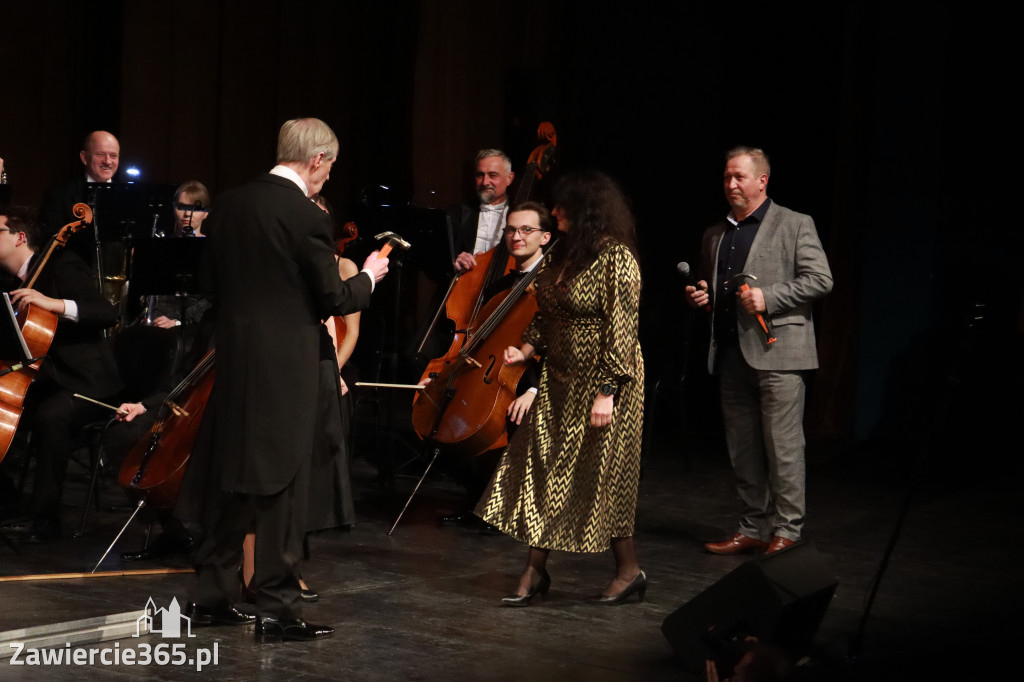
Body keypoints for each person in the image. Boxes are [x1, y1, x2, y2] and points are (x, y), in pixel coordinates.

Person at [182, 118, 389, 642]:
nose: (328, 177)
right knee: (282, 489)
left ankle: (210, 596)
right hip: (287, 369)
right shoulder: (304, 215)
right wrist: (368, 277)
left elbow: (207, 282)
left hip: (234, 360)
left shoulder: (227, 204)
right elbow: (335, 300)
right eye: (329, 166)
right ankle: (277, 608)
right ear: (317, 159)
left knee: (231, 479)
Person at [476, 170, 646, 606]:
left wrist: (607, 390)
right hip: (560, 377)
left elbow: (623, 329)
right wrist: (527, 349)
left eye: (563, 207)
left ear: (587, 210)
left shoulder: (616, 258)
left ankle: (628, 571)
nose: (554, 213)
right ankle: (534, 571)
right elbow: (544, 313)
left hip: (606, 378)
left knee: (601, 475)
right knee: (545, 468)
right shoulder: (562, 258)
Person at [685, 147, 833, 555]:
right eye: (727, 177)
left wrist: (772, 297)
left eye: (740, 177)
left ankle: (787, 530)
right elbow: (717, 292)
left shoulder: (795, 224)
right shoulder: (716, 234)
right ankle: (753, 525)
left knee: (782, 446)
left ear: (762, 180)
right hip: (732, 355)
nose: (732, 184)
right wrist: (703, 297)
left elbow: (821, 279)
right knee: (743, 445)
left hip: (780, 354)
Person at [0, 205, 121, 543]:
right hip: (48, 378)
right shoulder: (11, 282)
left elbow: (106, 312)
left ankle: (45, 520)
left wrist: (53, 303)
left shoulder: (61, 264)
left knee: (51, 416)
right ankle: (8, 504)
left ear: (19, 237)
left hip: (87, 382)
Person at [448, 149, 515, 274]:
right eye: (480, 175)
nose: (484, 182)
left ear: (509, 178)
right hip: (463, 285)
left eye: (492, 175)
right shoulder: (455, 213)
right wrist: (454, 262)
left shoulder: (521, 216)